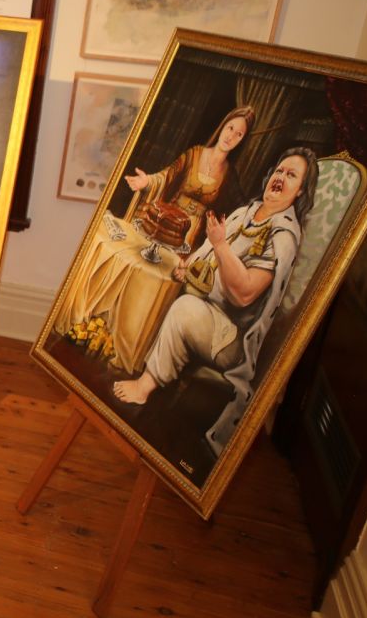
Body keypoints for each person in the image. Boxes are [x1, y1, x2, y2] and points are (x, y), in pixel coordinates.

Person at [113, 147, 318, 454]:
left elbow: (244, 293)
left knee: (184, 309)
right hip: (210, 308)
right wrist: (188, 264)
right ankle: (121, 352)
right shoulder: (248, 212)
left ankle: (146, 386)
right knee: (162, 272)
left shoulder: (283, 235)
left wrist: (221, 247)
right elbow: (206, 250)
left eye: (291, 176)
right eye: (279, 171)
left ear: (301, 190)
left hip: (232, 339)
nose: (280, 178)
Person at [124, 105, 254, 251]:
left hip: (191, 242)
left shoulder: (230, 176)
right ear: (223, 125)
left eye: (239, 134)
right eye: (230, 128)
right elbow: (167, 175)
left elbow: (240, 211)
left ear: (242, 140)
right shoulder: (194, 154)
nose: (231, 137)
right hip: (166, 226)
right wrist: (147, 181)